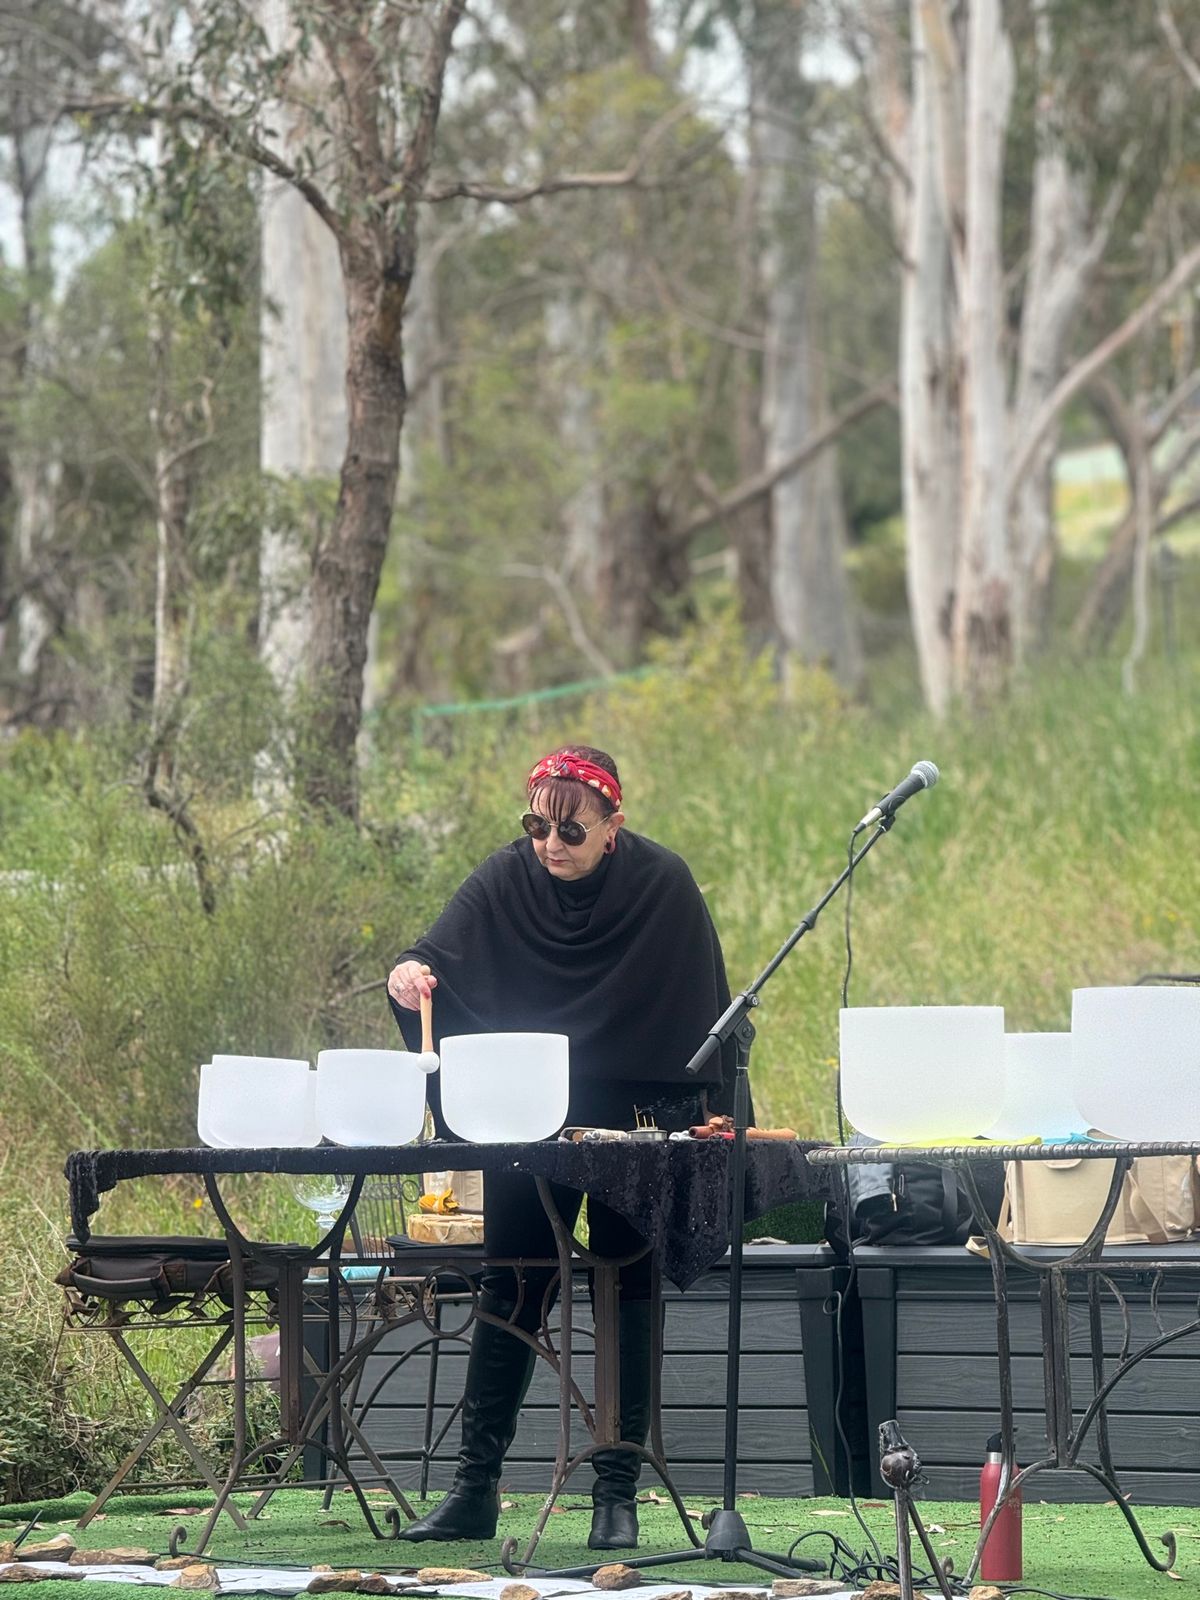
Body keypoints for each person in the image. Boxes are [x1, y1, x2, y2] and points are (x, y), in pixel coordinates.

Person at [386, 744, 736, 1551]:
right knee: (510, 1288)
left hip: (632, 1121)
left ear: (614, 824)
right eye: (537, 826)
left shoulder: (663, 884)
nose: (550, 844)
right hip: (528, 1115)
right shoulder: (506, 877)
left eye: (571, 831)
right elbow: (430, 956)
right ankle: (475, 1490)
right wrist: (409, 973)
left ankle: (615, 1495)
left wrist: (695, 1123)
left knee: (625, 1292)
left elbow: (705, 1019)